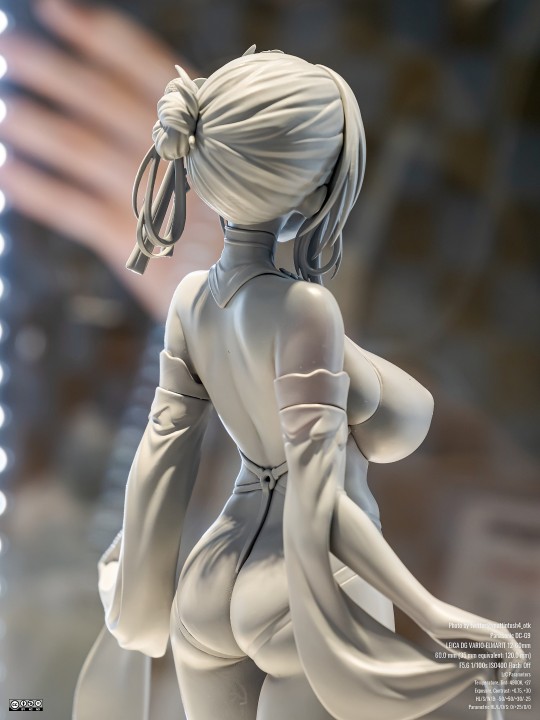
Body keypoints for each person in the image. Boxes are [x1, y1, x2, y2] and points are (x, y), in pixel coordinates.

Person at [74, 49, 525, 720]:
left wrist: (138, 591)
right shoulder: (304, 309)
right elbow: (317, 492)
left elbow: (161, 456)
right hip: (297, 585)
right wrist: (429, 610)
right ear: (315, 190)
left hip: (209, 580)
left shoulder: (192, 299)